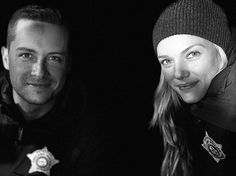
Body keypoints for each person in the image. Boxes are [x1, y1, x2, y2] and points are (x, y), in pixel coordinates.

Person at [0, 4, 88, 176]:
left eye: (54, 58)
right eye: (26, 55)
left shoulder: (89, 132)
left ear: (67, 64)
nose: (39, 72)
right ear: (5, 58)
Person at [151, 0, 236, 175]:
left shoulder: (229, 115)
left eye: (192, 54)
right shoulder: (192, 105)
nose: (178, 73)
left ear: (220, 52)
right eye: (167, 61)